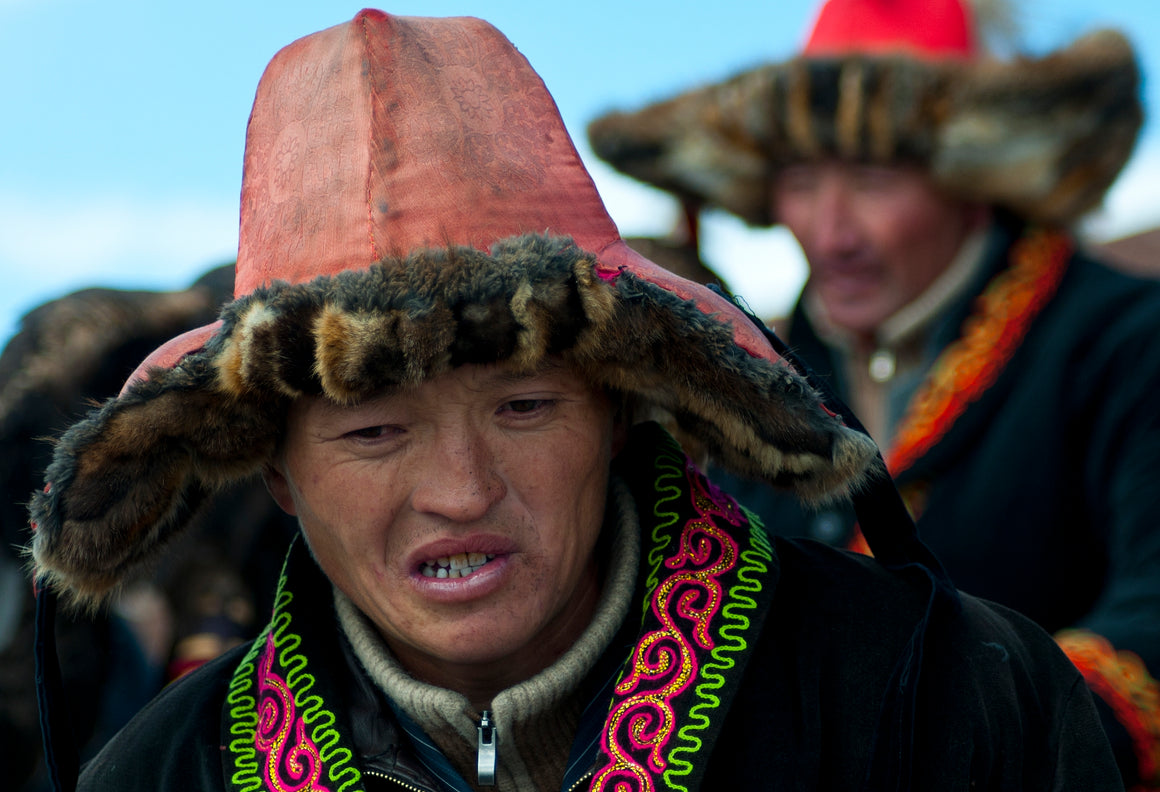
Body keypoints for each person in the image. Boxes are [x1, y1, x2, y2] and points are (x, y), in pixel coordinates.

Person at [27, 9, 1123, 792]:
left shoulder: (954, 702)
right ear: (273, 464)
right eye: (371, 430)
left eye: (524, 408)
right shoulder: (165, 771)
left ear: (619, 405)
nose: (459, 492)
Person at [586, 0, 1160, 786]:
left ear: (973, 176)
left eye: (874, 178)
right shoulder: (742, 377)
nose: (831, 232)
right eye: (798, 180)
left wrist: (970, 734)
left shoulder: (1128, 342)